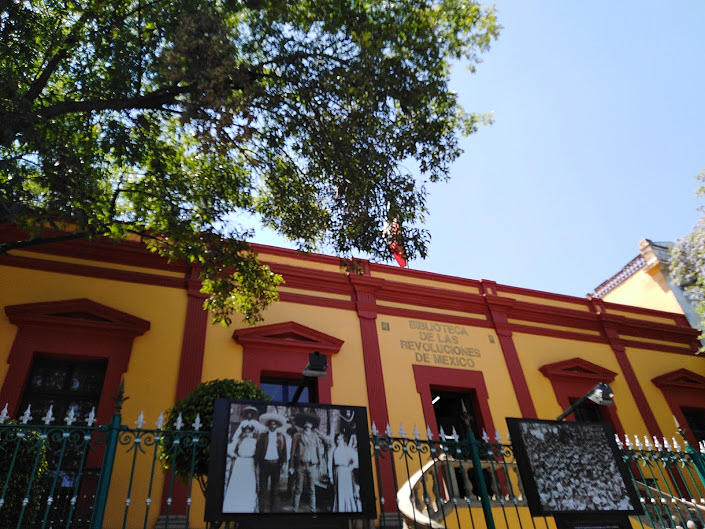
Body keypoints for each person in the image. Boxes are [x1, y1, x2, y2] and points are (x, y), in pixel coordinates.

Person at [289, 414, 329, 512]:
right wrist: (291, 466)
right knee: (298, 488)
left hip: (312, 465)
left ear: (312, 425)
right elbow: (292, 452)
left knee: (312, 489)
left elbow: (321, 447)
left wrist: (319, 463)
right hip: (300, 465)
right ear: (303, 425)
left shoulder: (315, 436)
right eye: (306, 423)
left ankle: (313, 510)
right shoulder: (297, 436)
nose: (308, 425)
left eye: (310, 423)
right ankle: (295, 509)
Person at [254, 413, 287, 512]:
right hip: (264, 464)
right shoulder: (263, 436)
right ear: (268, 426)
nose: (273, 426)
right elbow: (258, 450)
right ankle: (261, 510)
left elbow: (284, 451)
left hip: (276, 465)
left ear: (277, 426)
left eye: (274, 424)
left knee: (275, 490)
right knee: (262, 489)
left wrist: (284, 463)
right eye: (271, 424)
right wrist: (256, 463)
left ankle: (273, 511)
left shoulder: (281, 437)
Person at [222, 425, 258, 513]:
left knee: (248, 483)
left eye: (249, 431)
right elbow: (229, 449)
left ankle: (247, 505)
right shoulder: (239, 441)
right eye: (246, 431)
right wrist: (235, 455)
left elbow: (258, 452)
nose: (248, 433)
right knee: (238, 483)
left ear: (252, 432)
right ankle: (235, 504)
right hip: (240, 463)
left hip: (250, 463)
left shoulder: (255, 442)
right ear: (244, 432)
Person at [329, 433, 360, 512]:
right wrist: (331, 476)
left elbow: (356, 460)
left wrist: (350, 467)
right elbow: (330, 464)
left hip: (345, 472)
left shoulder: (348, 449)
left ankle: (348, 510)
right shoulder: (334, 450)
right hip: (337, 472)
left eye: (341, 439)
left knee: (346, 491)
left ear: (343, 440)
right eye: (337, 439)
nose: (339, 441)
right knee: (338, 491)